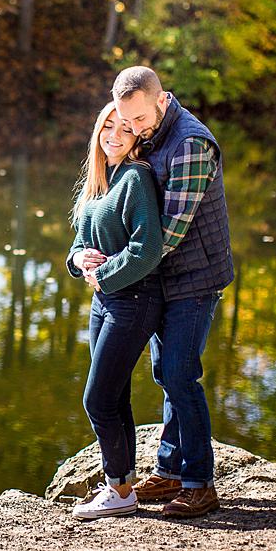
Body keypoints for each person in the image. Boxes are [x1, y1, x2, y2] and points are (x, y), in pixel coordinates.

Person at [111, 65, 234, 519]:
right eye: (127, 123)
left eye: (140, 121)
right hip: (165, 276)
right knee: (166, 372)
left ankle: (200, 483)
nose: (134, 130)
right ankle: (170, 470)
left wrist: (114, 270)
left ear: (162, 100)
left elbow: (166, 235)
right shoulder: (150, 131)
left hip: (196, 276)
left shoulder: (190, 145)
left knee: (181, 374)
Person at [65, 102, 165, 521]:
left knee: (98, 399)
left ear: (136, 136)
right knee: (115, 395)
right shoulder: (99, 181)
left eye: (125, 129)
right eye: (108, 127)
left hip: (135, 300)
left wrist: (104, 274)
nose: (115, 136)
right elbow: (77, 243)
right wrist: (79, 262)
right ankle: (122, 484)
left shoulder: (136, 179)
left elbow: (148, 250)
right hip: (103, 301)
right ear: (97, 132)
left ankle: (119, 489)